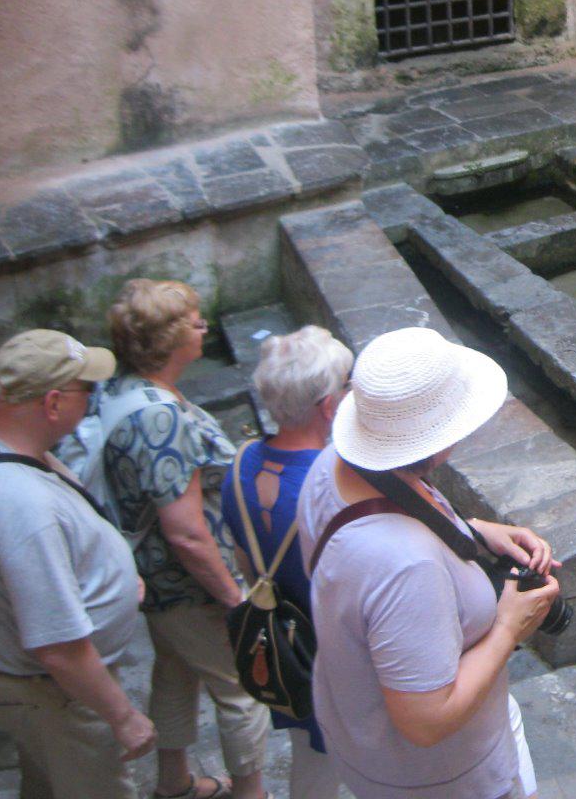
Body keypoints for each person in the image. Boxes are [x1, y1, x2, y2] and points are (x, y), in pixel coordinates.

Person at [296, 327, 559, 799]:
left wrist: (474, 531)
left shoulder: (334, 464)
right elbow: (425, 720)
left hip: (358, 730)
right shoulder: (407, 566)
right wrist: (508, 628)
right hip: (437, 777)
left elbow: (384, 519)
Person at [0, 330, 155, 798]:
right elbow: (58, 648)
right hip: (55, 693)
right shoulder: (23, 511)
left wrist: (112, 572)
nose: (94, 399)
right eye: (88, 390)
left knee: (47, 778)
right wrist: (125, 717)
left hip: (26, 688)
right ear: (53, 403)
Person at [103, 279, 269, 799]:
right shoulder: (160, 418)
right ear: (173, 340)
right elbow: (186, 530)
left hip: (157, 579)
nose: (205, 328)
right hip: (187, 583)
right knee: (242, 689)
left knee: (175, 673)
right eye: (196, 322)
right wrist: (233, 599)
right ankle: (252, 792)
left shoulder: (128, 390)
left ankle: (172, 782)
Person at [219, 326, 353, 799]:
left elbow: (245, 559)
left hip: (284, 645)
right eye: (346, 385)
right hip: (335, 653)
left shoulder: (239, 465)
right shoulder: (334, 485)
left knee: (310, 758)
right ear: (328, 406)